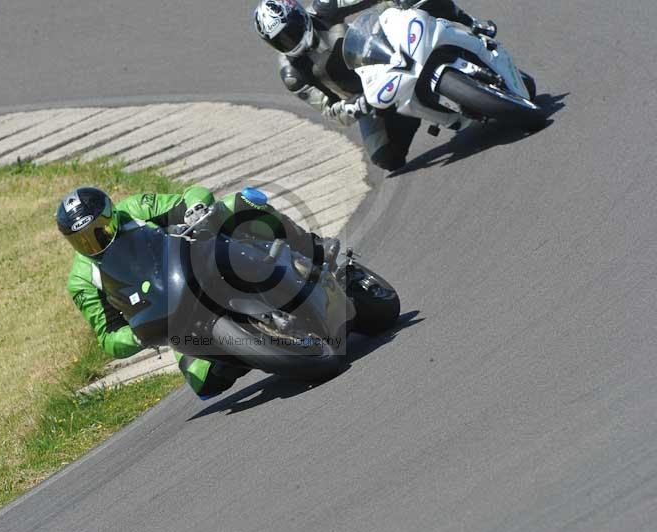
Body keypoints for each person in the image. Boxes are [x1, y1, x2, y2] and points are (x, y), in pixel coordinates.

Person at [55, 185, 340, 399]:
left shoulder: (135, 209)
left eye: (100, 229)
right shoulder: (81, 280)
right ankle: (249, 351)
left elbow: (189, 196)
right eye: (82, 240)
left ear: (112, 214)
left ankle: (311, 247)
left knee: (239, 203)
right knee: (202, 382)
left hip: (195, 263)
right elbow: (108, 335)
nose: (95, 241)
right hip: (170, 315)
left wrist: (196, 208)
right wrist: (136, 335)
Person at [253, 0, 497, 173]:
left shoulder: (324, 7)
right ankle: (413, 110)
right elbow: (329, 110)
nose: (291, 40)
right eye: (281, 40)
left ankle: (471, 24)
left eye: (292, 30)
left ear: (299, 14)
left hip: (380, 50)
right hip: (367, 95)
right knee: (386, 158)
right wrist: (351, 108)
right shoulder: (292, 74)